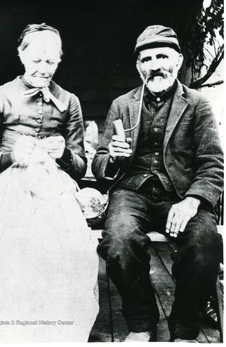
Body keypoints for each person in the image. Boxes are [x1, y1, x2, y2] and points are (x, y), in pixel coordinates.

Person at [0, 23, 99, 343]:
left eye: (50, 61)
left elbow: (79, 167)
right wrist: (10, 156)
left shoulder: (70, 101)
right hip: (2, 183)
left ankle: (49, 333)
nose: (42, 68)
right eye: (35, 60)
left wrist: (65, 153)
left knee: (69, 248)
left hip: (53, 186)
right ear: (21, 55)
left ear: (59, 61)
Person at [92, 25, 223, 342]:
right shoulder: (122, 105)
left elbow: (213, 163)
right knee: (119, 241)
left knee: (205, 244)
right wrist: (114, 158)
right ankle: (141, 324)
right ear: (139, 66)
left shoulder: (197, 104)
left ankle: (185, 329)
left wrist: (193, 200)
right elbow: (98, 162)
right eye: (146, 59)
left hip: (182, 194)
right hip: (132, 193)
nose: (154, 65)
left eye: (162, 56)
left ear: (177, 60)